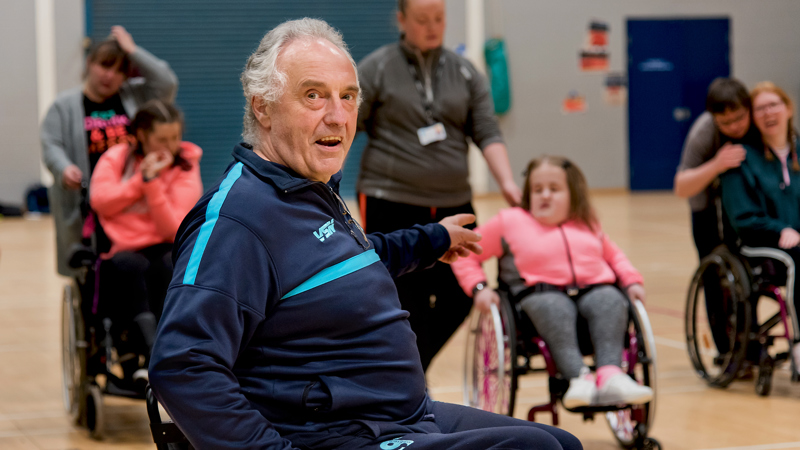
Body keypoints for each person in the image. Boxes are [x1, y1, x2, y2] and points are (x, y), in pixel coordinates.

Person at [149, 18, 581, 450]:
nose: (337, 117)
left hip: (403, 416)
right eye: (313, 95)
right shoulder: (237, 220)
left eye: (348, 96)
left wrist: (432, 239)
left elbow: (343, 263)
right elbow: (182, 365)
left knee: (562, 443)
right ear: (262, 106)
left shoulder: (309, 188)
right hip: (339, 434)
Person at [356, 0, 522, 371]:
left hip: (453, 201)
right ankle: (411, 380)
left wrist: (507, 182)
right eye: (422, 19)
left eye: (439, 19)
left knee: (461, 292)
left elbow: (487, 130)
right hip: (390, 198)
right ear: (401, 19)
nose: (432, 27)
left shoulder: (465, 71)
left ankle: (410, 372)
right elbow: (348, 125)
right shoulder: (376, 68)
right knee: (405, 298)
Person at [452, 155, 653, 408]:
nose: (545, 195)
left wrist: (632, 280)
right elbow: (465, 252)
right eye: (537, 189)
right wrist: (479, 287)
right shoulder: (510, 221)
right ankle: (578, 378)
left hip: (593, 290)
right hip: (538, 297)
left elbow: (614, 256)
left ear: (573, 194)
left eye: (554, 189)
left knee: (610, 300)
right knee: (554, 306)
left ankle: (611, 375)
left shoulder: (587, 222)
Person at [41, 26, 178, 277]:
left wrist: (132, 50)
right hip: (89, 203)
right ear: (89, 63)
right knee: (92, 268)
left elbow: (167, 82)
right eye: (104, 66)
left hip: (130, 199)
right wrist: (64, 168)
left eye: (119, 71)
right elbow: (51, 145)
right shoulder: (63, 106)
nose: (110, 76)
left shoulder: (135, 96)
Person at [89, 100, 202, 388]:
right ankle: (146, 355)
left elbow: (173, 228)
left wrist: (152, 185)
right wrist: (142, 179)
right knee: (129, 268)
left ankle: (167, 352)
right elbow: (101, 201)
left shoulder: (186, 164)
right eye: (162, 139)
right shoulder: (117, 158)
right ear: (141, 135)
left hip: (165, 244)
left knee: (170, 266)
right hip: (124, 248)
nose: (171, 146)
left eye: (175, 137)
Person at [673, 78, 760, 359]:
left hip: (749, 209)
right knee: (715, 279)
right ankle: (726, 350)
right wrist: (716, 165)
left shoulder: (758, 122)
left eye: (739, 118)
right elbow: (681, 186)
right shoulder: (704, 131)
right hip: (708, 211)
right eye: (726, 122)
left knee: (753, 277)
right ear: (714, 118)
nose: (734, 126)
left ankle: (752, 339)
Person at [720, 81, 800, 374]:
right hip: (761, 245)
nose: (768, 113)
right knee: (796, 260)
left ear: (788, 108)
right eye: (760, 108)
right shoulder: (741, 157)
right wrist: (779, 228)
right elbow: (743, 217)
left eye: (774, 105)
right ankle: (799, 344)